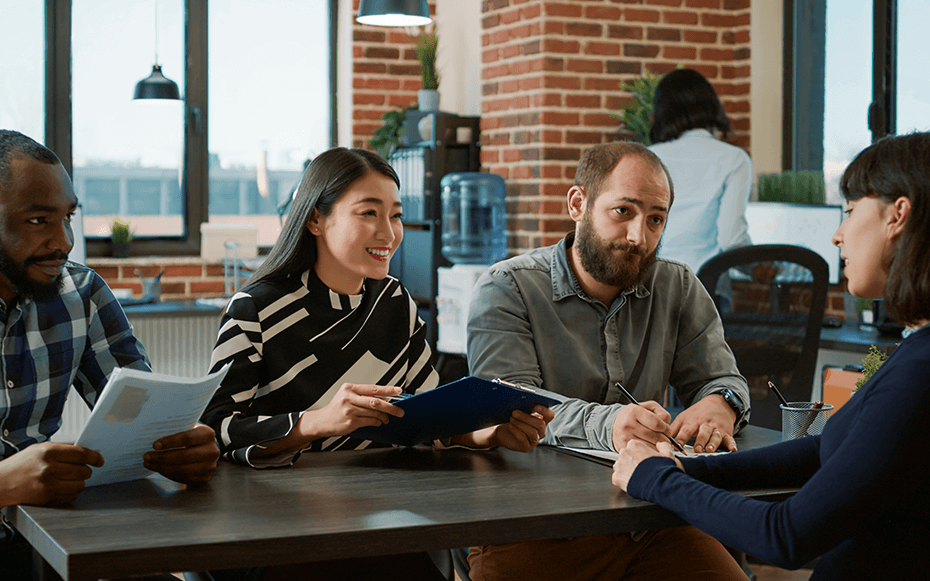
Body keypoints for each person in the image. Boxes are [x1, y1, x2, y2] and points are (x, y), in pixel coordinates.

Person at [202, 147, 553, 580]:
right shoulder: (254, 309)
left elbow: (429, 411)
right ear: (316, 220)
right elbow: (213, 429)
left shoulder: (394, 302)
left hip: (380, 513)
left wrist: (488, 432)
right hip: (277, 525)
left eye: (396, 215)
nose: (388, 232)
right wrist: (314, 423)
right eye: (369, 213)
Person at [613, 132, 930, 579]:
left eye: (850, 212)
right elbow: (825, 449)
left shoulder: (920, 372)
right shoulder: (917, 355)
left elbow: (785, 536)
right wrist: (689, 469)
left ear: (898, 215)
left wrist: (654, 477)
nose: (838, 235)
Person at [466, 141, 751, 580]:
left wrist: (721, 403)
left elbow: (722, 378)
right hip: (534, 526)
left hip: (647, 520)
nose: (639, 237)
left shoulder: (677, 286)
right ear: (578, 203)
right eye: (624, 212)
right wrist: (612, 425)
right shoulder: (508, 288)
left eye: (656, 219)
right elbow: (511, 403)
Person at [0, 130, 219, 578]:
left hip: (49, 537)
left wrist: (180, 444)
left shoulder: (81, 293)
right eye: (38, 220)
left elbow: (142, 410)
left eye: (68, 217)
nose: (64, 242)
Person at [648, 68, 752, 273]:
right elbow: (731, 238)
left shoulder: (647, 157)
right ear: (712, 106)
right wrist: (761, 267)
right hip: (704, 291)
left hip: (650, 289)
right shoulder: (734, 159)